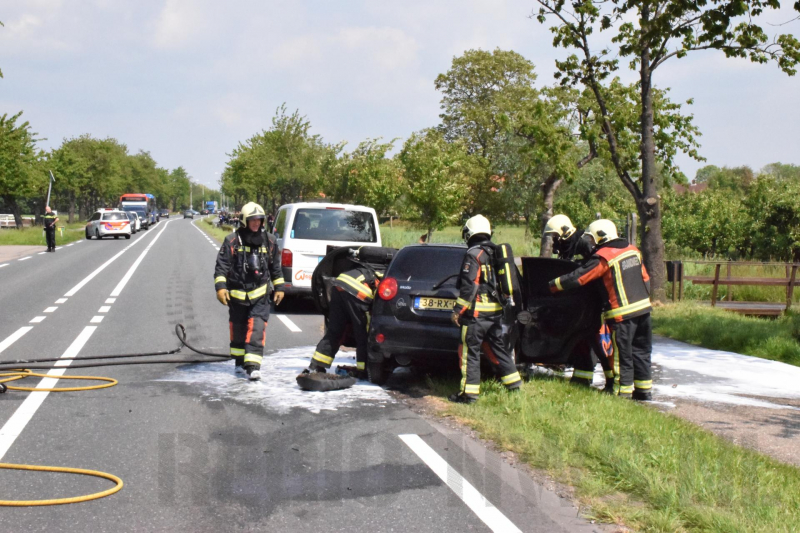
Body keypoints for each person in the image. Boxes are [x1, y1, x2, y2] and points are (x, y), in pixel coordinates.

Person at [548, 219, 653, 400]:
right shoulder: (632, 250)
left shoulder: (604, 256)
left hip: (622, 314)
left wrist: (552, 285)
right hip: (643, 311)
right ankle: (643, 392)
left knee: (622, 355)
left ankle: (622, 394)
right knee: (642, 351)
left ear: (599, 236)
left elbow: (580, 277)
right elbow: (645, 279)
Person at [449, 215, 522, 404]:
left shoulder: (474, 255)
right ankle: (514, 385)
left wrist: (458, 310)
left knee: (468, 352)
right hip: (496, 313)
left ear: (469, 233)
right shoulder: (495, 252)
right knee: (499, 349)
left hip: (476, 315)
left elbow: (469, 285)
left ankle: (469, 394)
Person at [214, 202, 285, 381]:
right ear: (244, 221)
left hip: (260, 296)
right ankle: (239, 361)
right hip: (237, 296)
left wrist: (280, 287)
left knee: (257, 328)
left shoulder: (269, 241)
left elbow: (275, 267)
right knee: (238, 330)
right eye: (252, 220)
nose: (256, 223)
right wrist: (221, 287)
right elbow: (221, 266)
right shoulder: (232, 241)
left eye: (259, 220)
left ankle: (253, 366)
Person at [544, 214, 614, 390]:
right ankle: (582, 377)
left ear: (563, 233)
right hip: (579, 301)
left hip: (594, 301)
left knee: (597, 341)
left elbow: (592, 270)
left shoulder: (583, 243)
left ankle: (612, 380)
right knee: (580, 338)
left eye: (554, 237)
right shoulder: (568, 247)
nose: (553, 241)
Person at [307, 248, 384, 376]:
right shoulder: (385, 273)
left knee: (335, 330)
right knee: (362, 332)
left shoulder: (366, 266)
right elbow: (379, 299)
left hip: (338, 286)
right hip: (356, 291)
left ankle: (317, 365)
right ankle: (363, 368)